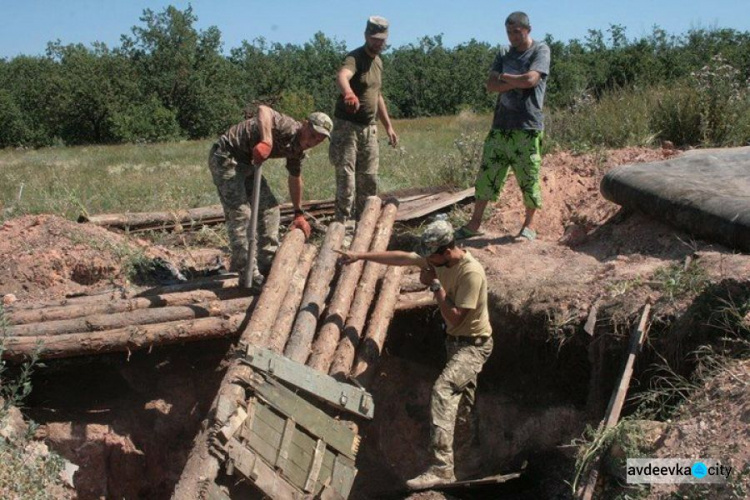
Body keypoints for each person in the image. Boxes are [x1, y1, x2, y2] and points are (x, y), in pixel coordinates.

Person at [337, 220, 493, 489]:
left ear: (446, 251)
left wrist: (434, 286)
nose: (426, 260)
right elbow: (402, 258)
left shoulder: (471, 274)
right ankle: (468, 461)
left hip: (474, 345)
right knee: (463, 408)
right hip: (455, 344)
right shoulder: (438, 259)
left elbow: (455, 319)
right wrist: (360, 256)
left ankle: (442, 469)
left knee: (443, 390)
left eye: (430, 255)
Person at [208, 105, 333, 288]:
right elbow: (263, 110)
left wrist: (298, 213)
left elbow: (295, 177)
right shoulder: (288, 127)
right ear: (305, 124)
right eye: (312, 134)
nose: (313, 141)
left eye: (319, 140)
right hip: (226, 157)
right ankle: (247, 273)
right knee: (241, 215)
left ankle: (267, 263)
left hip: (249, 163)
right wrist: (267, 140)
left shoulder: (298, 150)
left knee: (270, 209)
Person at [456, 11, 550, 242]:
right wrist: (515, 79)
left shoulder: (540, 50)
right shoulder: (503, 52)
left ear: (527, 29)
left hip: (527, 125)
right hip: (501, 125)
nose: (512, 37)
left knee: (529, 177)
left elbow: (531, 80)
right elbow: (490, 85)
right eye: (509, 32)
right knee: (487, 174)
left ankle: (529, 226)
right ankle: (475, 223)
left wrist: (504, 78)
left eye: (516, 32)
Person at [330, 15, 399, 227]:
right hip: (347, 127)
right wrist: (349, 93)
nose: (378, 43)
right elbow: (342, 76)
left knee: (369, 178)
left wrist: (388, 127)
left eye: (382, 39)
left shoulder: (378, 62)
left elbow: (377, 96)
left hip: (369, 128)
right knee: (346, 179)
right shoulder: (355, 58)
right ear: (366, 36)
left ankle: (365, 223)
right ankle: (344, 226)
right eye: (375, 38)